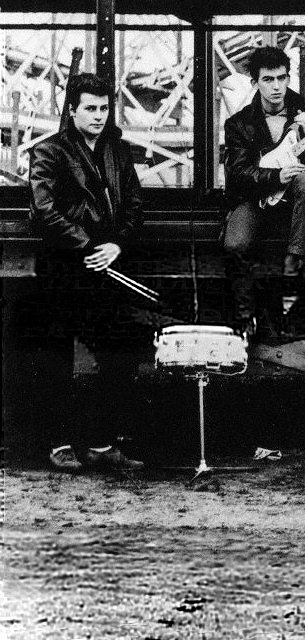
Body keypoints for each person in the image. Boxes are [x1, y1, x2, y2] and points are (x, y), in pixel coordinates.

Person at [29, 72, 146, 472]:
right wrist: (87, 244)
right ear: (72, 110)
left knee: (120, 351)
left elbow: (134, 206)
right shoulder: (48, 151)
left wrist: (117, 244)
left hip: (107, 265)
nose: (98, 115)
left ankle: (101, 443)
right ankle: (59, 443)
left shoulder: (118, 151)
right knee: (56, 357)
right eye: (90, 108)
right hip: (65, 266)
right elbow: (43, 210)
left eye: (104, 108)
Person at [223, 46, 305, 334]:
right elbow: (237, 173)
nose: (276, 87)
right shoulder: (238, 124)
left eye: (282, 78)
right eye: (268, 79)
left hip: (293, 202)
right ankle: (245, 317)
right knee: (234, 245)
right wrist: (276, 176)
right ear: (255, 83)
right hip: (254, 198)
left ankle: (293, 264)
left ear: (288, 78)